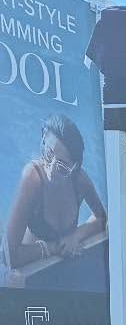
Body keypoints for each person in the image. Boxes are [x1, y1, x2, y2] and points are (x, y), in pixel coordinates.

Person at [2, 115, 107, 287]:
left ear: (75, 167)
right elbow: (9, 256)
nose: (50, 169)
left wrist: (76, 235)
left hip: (65, 265)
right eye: (48, 153)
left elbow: (102, 218)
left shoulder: (79, 181)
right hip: (32, 269)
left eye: (63, 166)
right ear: (43, 141)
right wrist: (53, 248)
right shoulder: (32, 177)